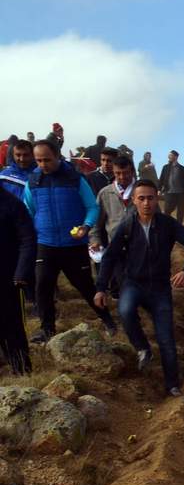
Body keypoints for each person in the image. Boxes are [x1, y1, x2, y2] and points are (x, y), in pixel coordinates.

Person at [94, 179, 184, 396]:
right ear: (133, 201)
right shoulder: (127, 225)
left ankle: (172, 385)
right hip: (133, 283)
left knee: (166, 339)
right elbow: (110, 256)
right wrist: (100, 287)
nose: (146, 203)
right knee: (125, 311)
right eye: (141, 198)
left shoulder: (168, 224)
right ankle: (142, 348)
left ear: (157, 199)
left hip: (161, 288)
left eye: (150, 198)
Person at [22, 140, 117, 342]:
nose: (42, 164)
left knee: (85, 286)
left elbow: (92, 207)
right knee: (43, 286)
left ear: (58, 156)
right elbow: (28, 211)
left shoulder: (75, 178)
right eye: (38, 160)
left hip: (73, 246)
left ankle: (107, 319)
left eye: (47, 160)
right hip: (45, 244)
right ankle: (47, 329)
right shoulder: (33, 181)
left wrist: (86, 226)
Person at [0, 187, 35, 375]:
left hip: (7, 279)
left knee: (11, 328)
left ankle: (22, 373)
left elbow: (27, 239)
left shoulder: (12, 204)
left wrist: (21, 272)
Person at [92, 155, 136, 251]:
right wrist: (95, 239)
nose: (122, 177)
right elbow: (96, 222)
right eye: (118, 173)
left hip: (140, 247)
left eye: (126, 173)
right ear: (113, 172)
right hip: (115, 248)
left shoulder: (142, 191)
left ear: (132, 172)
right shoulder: (105, 193)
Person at [159, 150, 184, 224]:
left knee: (180, 211)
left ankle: (179, 225)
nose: (169, 157)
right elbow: (161, 179)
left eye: (171, 155)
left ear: (176, 157)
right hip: (169, 191)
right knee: (167, 210)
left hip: (180, 192)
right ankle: (166, 224)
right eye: (169, 155)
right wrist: (159, 189)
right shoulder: (165, 167)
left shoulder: (182, 168)